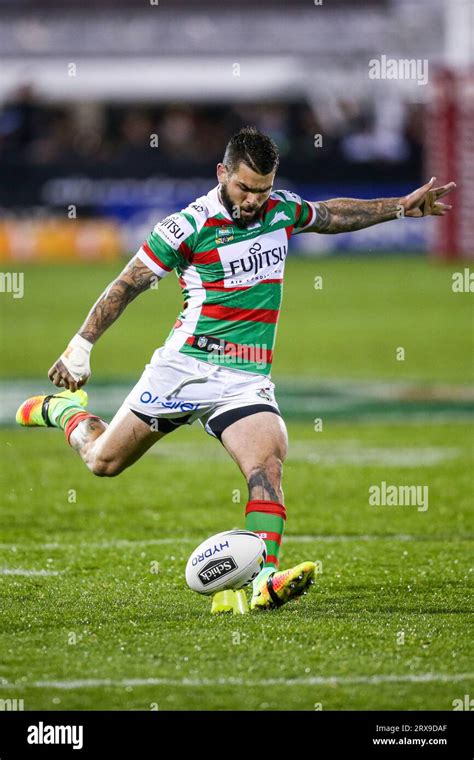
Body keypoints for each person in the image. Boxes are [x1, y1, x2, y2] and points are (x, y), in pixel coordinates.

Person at [16, 126, 456, 610]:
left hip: (244, 378)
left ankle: (264, 579)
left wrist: (399, 207)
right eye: (245, 188)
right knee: (103, 462)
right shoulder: (187, 227)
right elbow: (128, 283)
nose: (253, 200)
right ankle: (65, 412)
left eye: (262, 190)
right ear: (222, 173)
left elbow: (331, 215)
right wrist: (81, 346)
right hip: (182, 371)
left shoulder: (280, 209)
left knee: (267, 464)